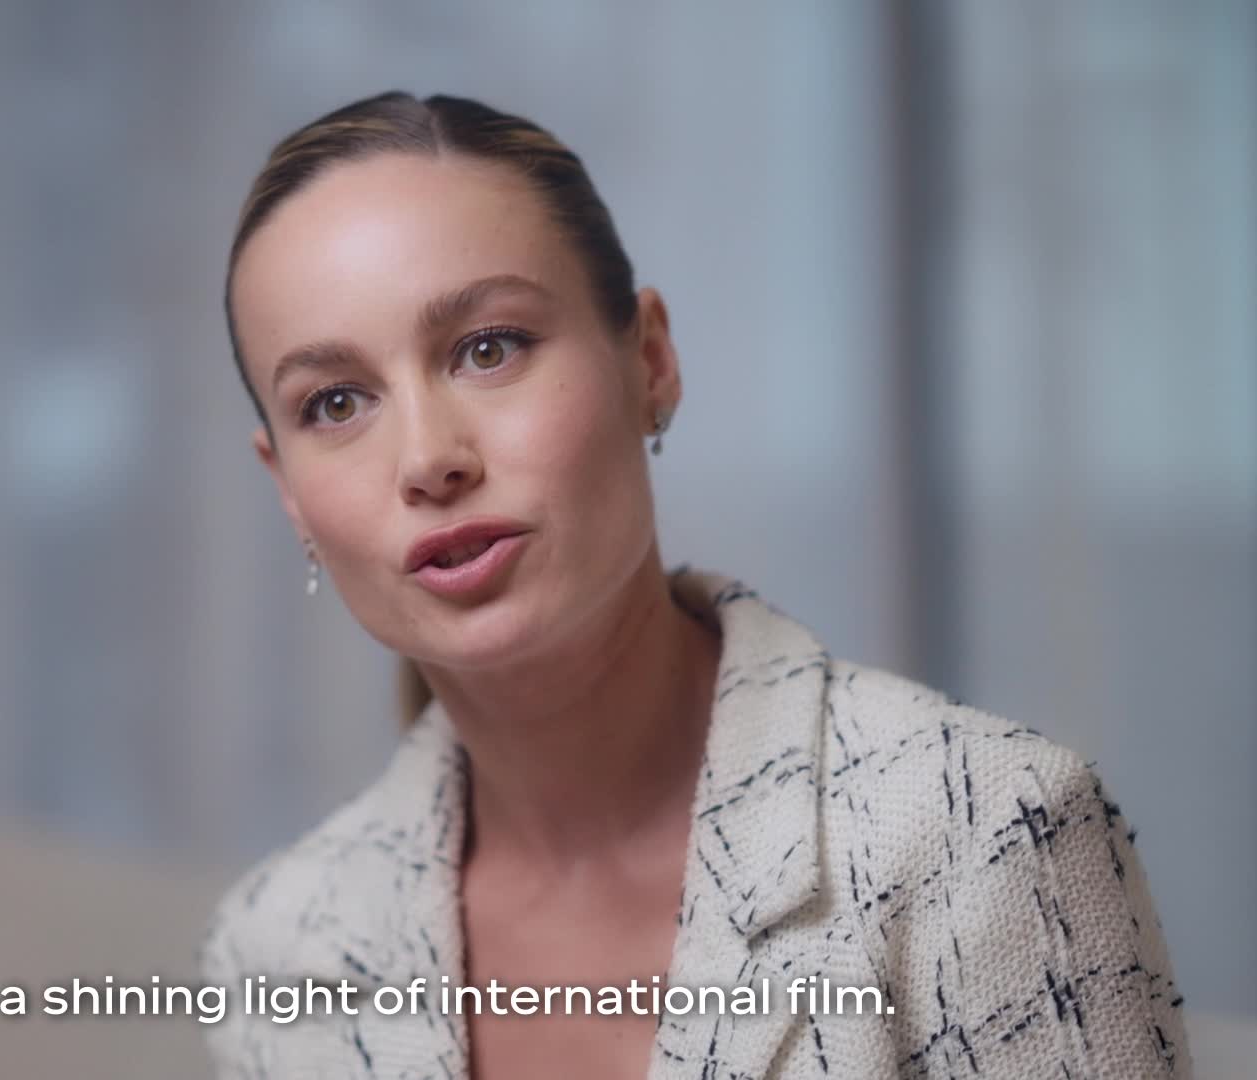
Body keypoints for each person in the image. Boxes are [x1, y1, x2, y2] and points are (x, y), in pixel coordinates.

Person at [198, 90, 1190, 1079]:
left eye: (488, 349)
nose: (427, 459)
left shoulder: (986, 834)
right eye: (336, 404)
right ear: (287, 492)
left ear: (651, 361)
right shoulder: (274, 956)